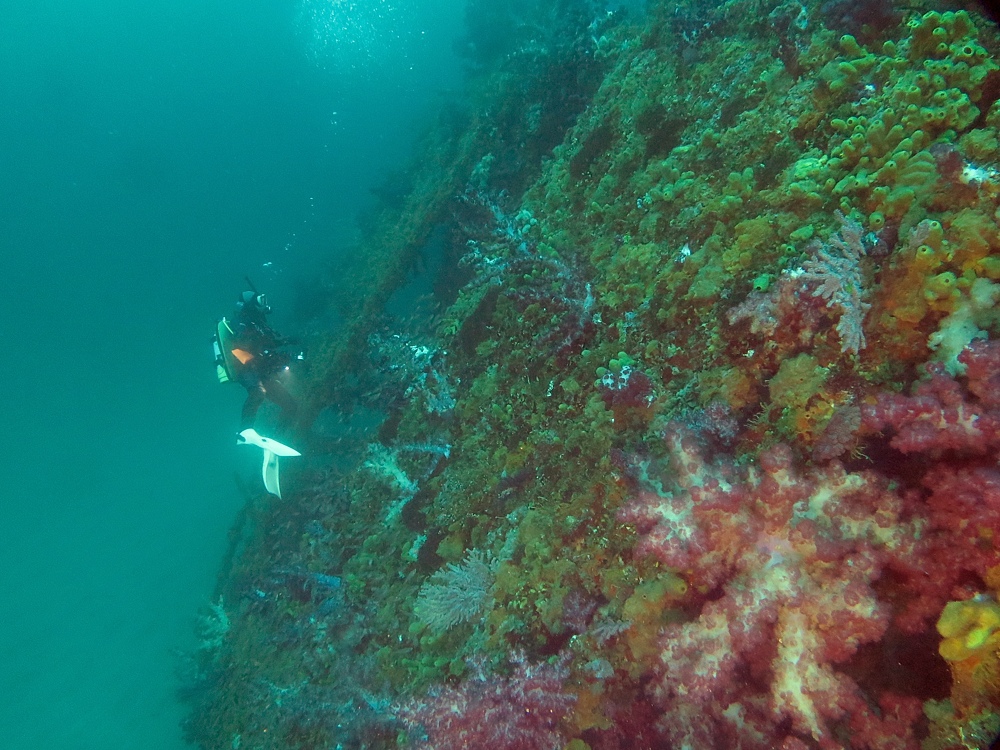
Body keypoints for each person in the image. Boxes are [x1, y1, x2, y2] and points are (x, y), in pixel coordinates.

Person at [215, 288, 299, 434]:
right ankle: (245, 432)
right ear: (251, 305)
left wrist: (286, 342)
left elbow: (270, 343)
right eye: (260, 302)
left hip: (260, 370)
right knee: (258, 392)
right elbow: (246, 344)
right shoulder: (240, 322)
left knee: (290, 405)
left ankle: (279, 436)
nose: (264, 306)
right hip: (246, 367)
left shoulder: (259, 324)